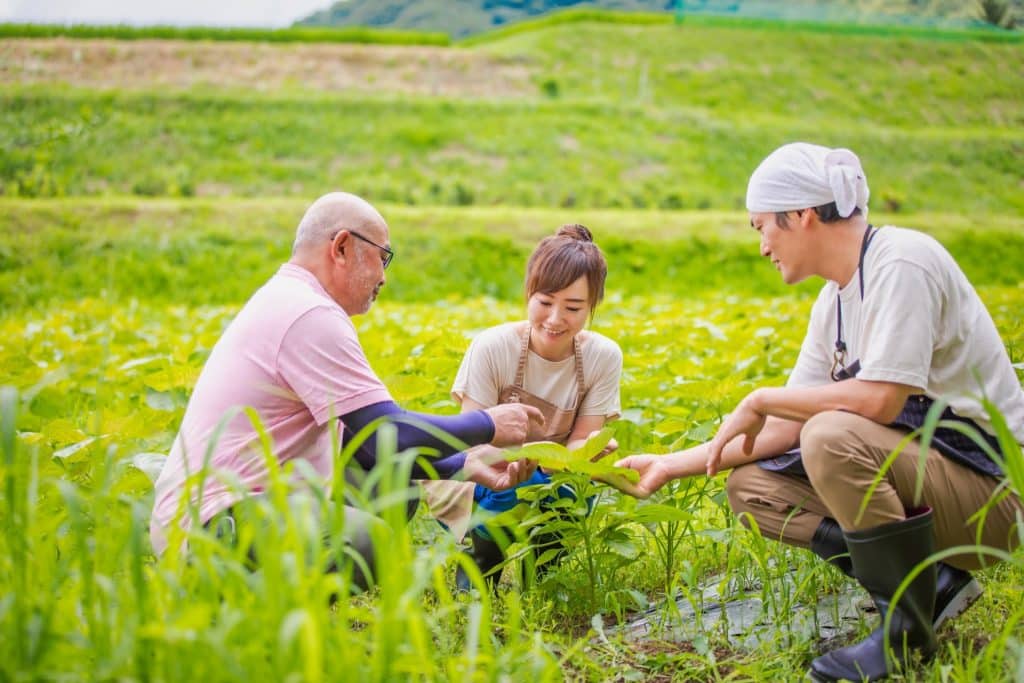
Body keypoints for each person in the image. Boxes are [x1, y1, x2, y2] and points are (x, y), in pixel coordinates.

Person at [613, 143, 1024, 681]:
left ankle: (906, 634)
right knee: (753, 489)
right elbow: (784, 429)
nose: (762, 246)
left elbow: (881, 398)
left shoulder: (903, 261)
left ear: (803, 216)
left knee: (830, 436)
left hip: (996, 498)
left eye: (762, 226)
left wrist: (760, 397)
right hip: (938, 481)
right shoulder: (833, 302)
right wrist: (671, 463)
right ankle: (932, 586)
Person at [150, 192, 545, 588]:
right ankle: (241, 603)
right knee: (368, 540)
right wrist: (489, 424)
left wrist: (463, 466)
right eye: (383, 256)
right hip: (214, 521)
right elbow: (387, 432)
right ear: (341, 247)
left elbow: (366, 444)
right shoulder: (309, 314)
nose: (384, 277)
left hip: (239, 502)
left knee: (392, 485)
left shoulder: (292, 299)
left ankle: (290, 609)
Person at [422, 224, 623, 591]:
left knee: (574, 487)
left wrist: (591, 453)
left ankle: (543, 573)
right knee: (511, 487)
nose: (555, 319)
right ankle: (481, 561)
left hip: (546, 474)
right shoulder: (493, 347)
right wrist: (533, 460)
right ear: (528, 294)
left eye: (574, 307)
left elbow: (581, 442)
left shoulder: (602, 357)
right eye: (545, 302)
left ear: (593, 305)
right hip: (483, 474)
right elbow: (472, 447)